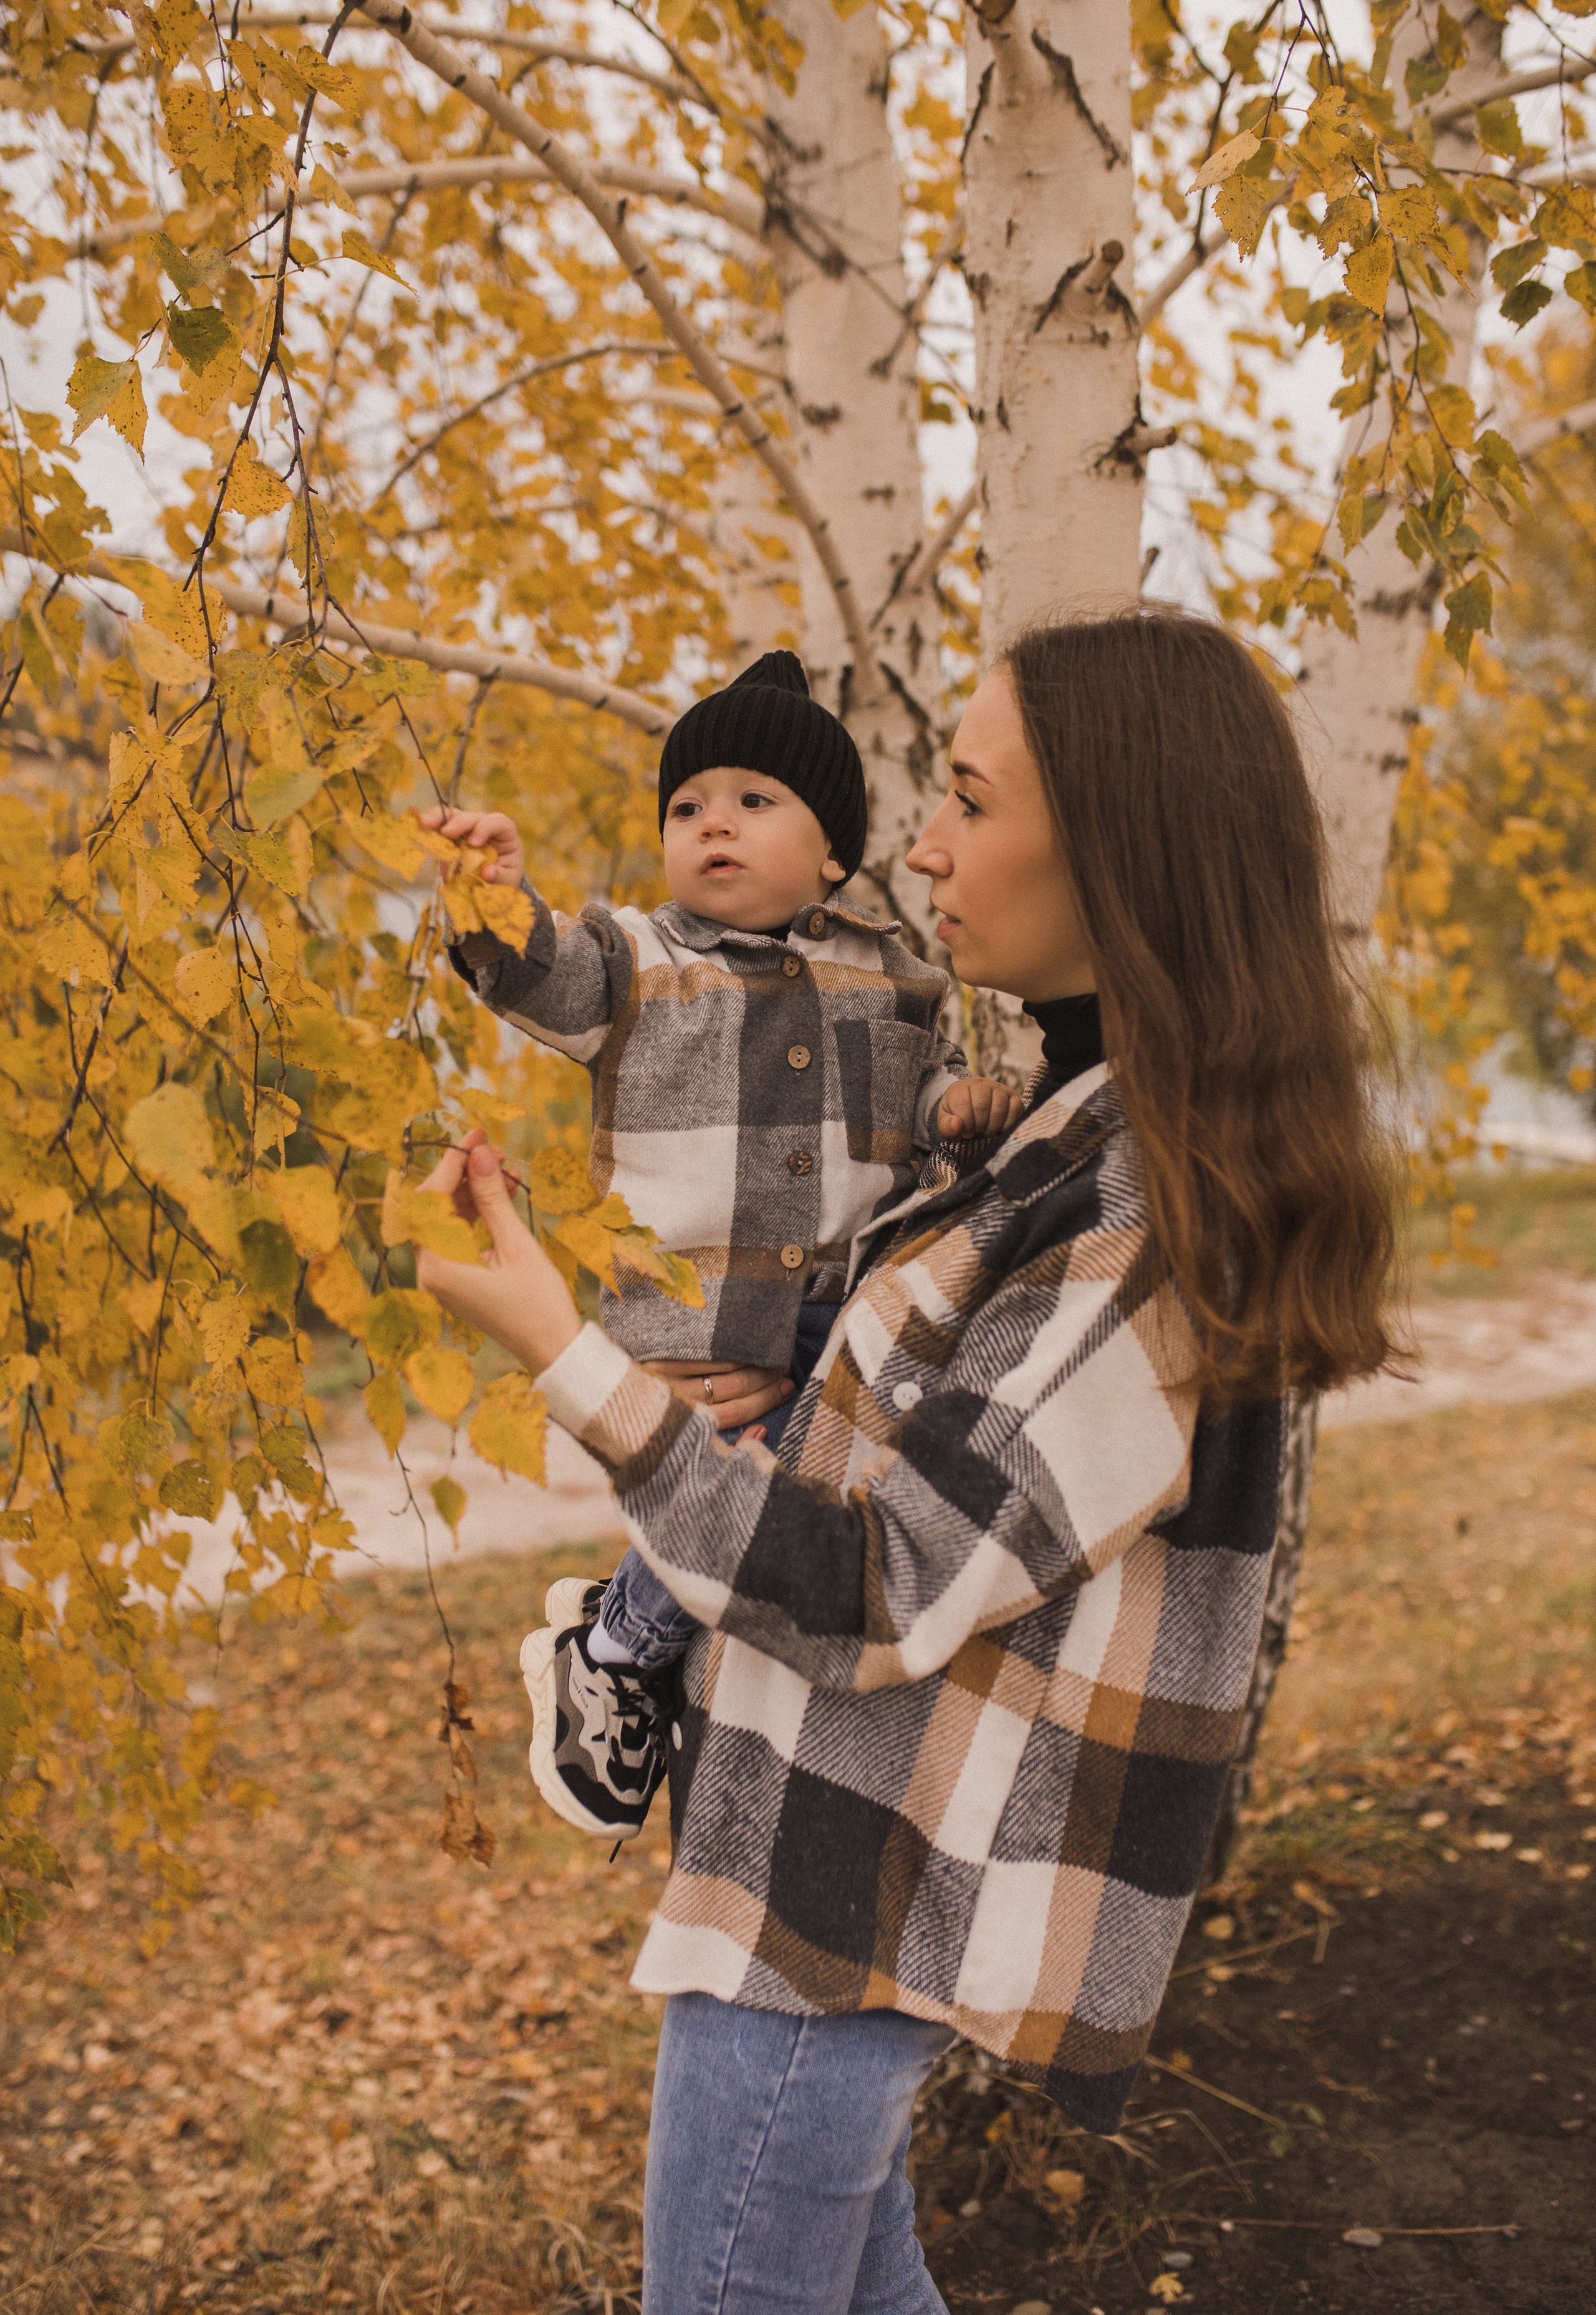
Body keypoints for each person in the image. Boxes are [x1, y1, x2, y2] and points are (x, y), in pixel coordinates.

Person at [415, 609, 1396, 2315]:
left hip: (853, 1911)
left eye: (968, 798)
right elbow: (590, 984)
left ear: (1120, 845)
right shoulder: (1055, 1131)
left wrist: (564, 1352)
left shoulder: (1155, 1217)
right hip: (813, 1862)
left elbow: (879, 1581)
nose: (926, 846)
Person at [420, 650, 1021, 1841]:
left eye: (754, 802)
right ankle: (620, 1645)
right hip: (694, 1320)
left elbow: (922, 1110)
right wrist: (492, 902)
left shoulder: (900, 982)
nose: (714, 827)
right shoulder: (639, 960)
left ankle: (647, 1650)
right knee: (737, 1473)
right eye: (688, 808)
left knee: (805, 1501)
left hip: (844, 1313)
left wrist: (958, 1110)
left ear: (834, 852)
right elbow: (542, 974)